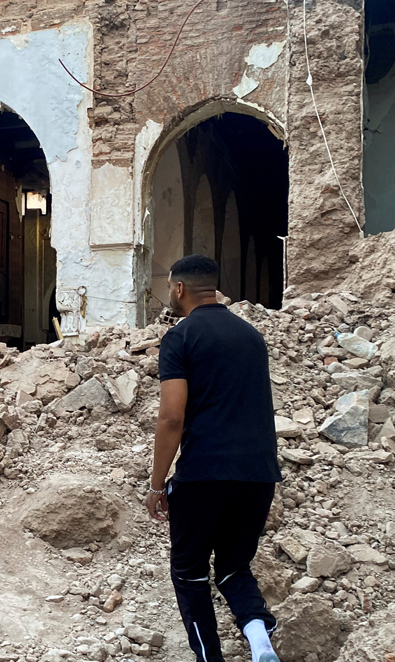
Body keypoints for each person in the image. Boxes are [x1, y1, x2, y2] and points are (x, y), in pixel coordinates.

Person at [145, 254, 284, 662]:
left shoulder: (180, 337)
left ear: (180, 289)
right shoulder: (251, 335)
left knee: (189, 573)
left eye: (170, 287)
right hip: (258, 474)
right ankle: (259, 642)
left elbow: (172, 416)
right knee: (233, 567)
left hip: (204, 474)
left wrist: (157, 483)